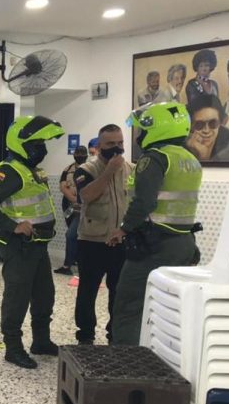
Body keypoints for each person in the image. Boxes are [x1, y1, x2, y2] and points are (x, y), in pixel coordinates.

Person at [109, 102, 202, 346]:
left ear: (158, 128)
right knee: (165, 306)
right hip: (183, 242)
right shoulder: (189, 159)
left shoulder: (155, 159)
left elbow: (144, 202)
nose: (139, 136)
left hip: (153, 245)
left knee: (129, 305)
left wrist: (123, 229)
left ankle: (124, 363)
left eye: (142, 130)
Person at [0, 115, 65, 369]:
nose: (43, 150)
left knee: (44, 295)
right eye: (37, 144)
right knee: (17, 297)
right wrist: (14, 226)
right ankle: (13, 348)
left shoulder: (31, 170)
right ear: (21, 144)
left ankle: (41, 341)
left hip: (38, 245)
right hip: (19, 247)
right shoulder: (10, 171)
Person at [74, 124, 134, 345]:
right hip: (92, 240)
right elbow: (86, 196)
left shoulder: (131, 169)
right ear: (99, 146)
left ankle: (115, 333)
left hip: (121, 241)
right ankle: (85, 334)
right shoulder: (87, 170)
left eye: (120, 143)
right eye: (110, 144)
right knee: (87, 291)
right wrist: (108, 171)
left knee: (118, 291)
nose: (117, 148)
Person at [55, 145, 88, 276]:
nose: (79, 155)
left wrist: (80, 201)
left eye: (81, 153)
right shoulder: (68, 169)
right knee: (74, 235)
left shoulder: (91, 168)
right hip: (69, 205)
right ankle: (74, 260)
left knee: (71, 235)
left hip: (84, 208)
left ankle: (67, 265)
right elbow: (63, 187)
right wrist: (74, 199)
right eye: (77, 153)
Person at [186, 95, 229, 162]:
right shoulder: (183, 146)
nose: (206, 130)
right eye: (199, 125)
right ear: (191, 126)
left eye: (212, 123)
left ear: (220, 124)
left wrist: (204, 158)